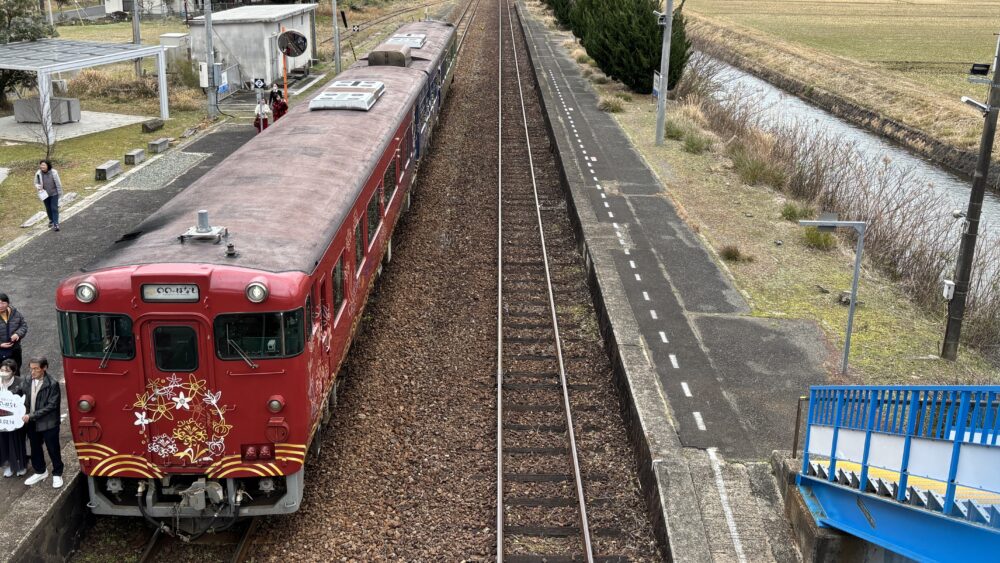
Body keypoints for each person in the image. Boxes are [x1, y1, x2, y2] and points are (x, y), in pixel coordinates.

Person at [22, 357, 63, 488]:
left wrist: (31, 415)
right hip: (32, 422)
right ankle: (40, 471)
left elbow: (51, 406)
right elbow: (19, 393)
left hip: (48, 423)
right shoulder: (27, 380)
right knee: (35, 448)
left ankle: (57, 473)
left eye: (36, 369)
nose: (32, 372)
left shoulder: (52, 384)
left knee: (53, 449)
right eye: (31, 368)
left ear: (44, 368)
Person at [0, 359, 28, 478]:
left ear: (14, 372)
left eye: (7, 371)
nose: (3, 373)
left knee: (16, 442)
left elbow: (25, 400)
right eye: (2, 370)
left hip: (15, 419)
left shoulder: (20, 382)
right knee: (2, 443)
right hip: (1, 420)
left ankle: (21, 465)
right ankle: (7, 466)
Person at [33, 160, 62, 232]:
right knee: (48, 208)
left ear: (48, 166)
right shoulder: (38, 173)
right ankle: (51, 220)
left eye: (44, 165)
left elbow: (58, 183)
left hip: (54, 193)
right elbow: (36, 183)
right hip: (44, 194)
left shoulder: (54, 172)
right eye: (41, 165)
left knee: (54, 208)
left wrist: (59, 193)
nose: (42, 166)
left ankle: (56, 224)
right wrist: (38, 187)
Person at [0, 294, 27, 372]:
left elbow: (23, 326)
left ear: (8, 303)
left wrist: (18, 334)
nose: (0, 306)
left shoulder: (15, 313)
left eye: (3, 303)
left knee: (16, 369)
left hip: (15, 348)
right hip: (1, 351)